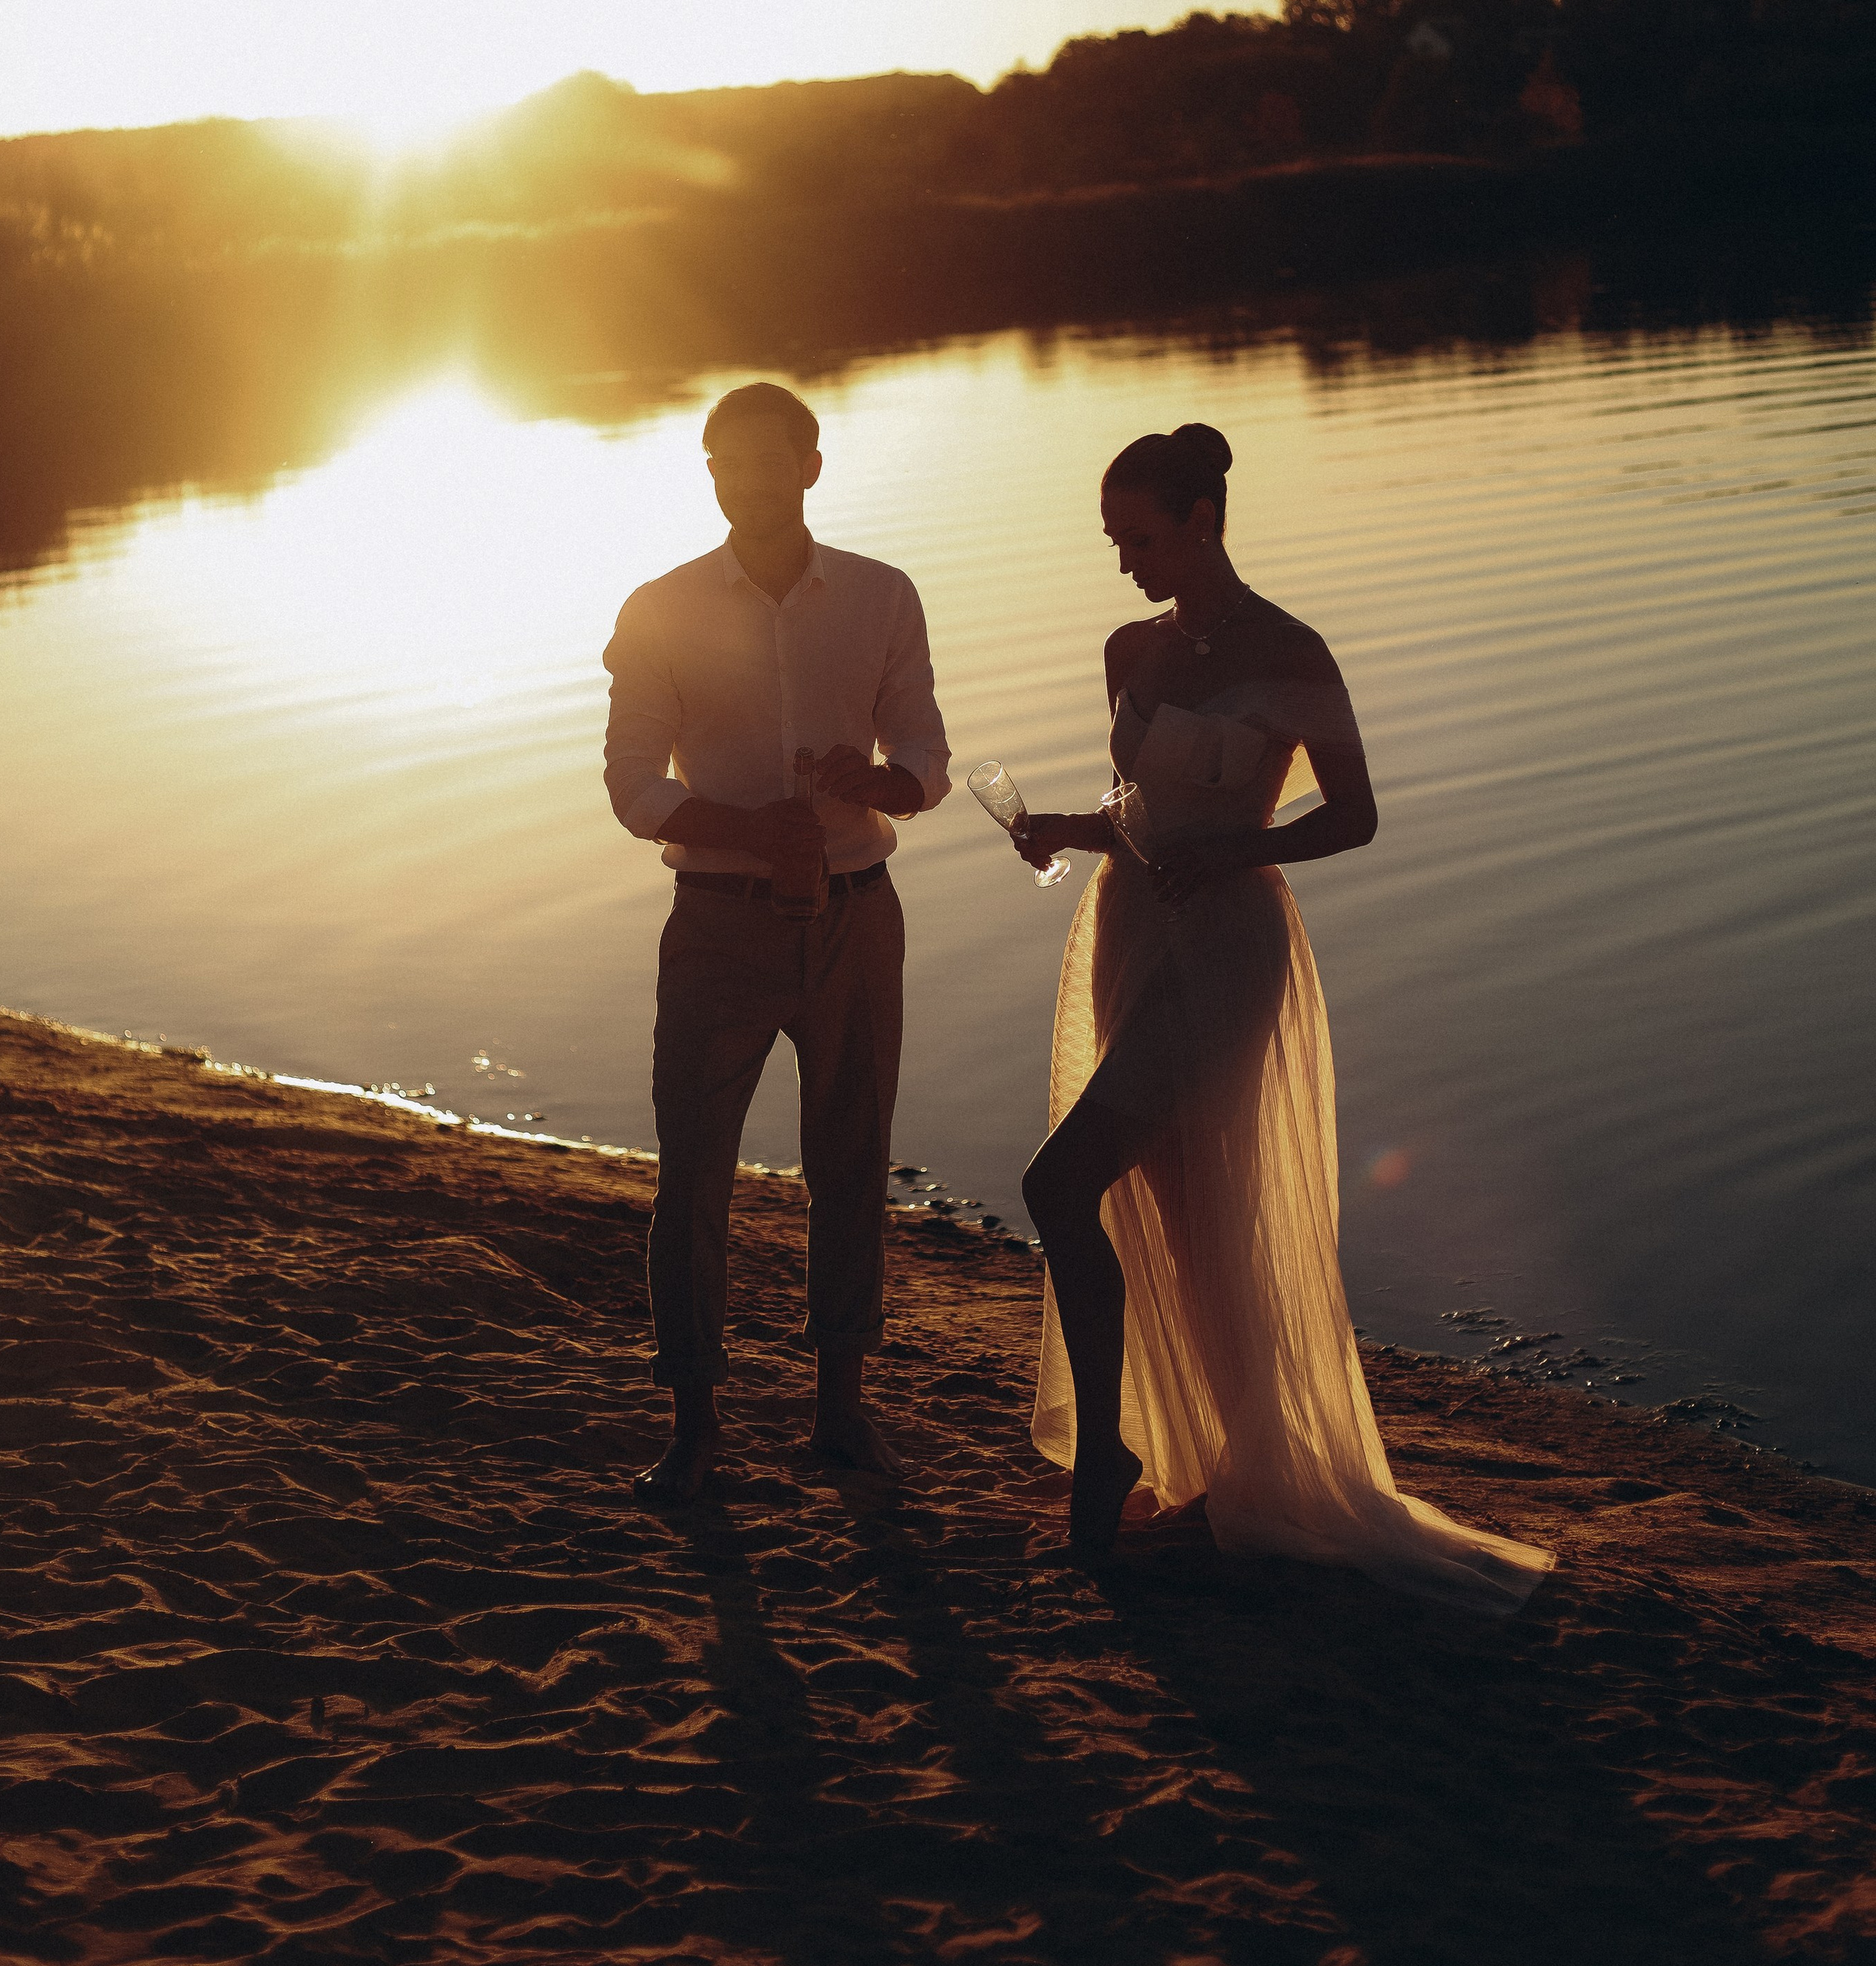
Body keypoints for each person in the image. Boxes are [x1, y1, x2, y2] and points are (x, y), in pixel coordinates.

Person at [1012, 421, 1553, 1610]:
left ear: (1202, 518)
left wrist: (1242, 848)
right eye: (1114, 540)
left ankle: (1115, 1454)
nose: (1125, 562)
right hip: (1128, 927)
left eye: (1140, 536)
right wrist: (1064, 825)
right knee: (1177, 1210)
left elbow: (1355, 815)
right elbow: (1139, 811)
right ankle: (1220, 1458)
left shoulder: (1296, 651)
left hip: (1228, 947)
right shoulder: (1127, 648)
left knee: (1064, 1185)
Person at [603, 381, 950, 1504]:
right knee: (694, 1175)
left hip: (859, 914)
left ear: (811, 465)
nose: (748, 480)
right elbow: (631, 786)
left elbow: (928, 767)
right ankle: (695, 1425)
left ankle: (841, 1413)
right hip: (718, 925)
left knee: (853, 1164)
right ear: (710, 475)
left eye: (769, 459)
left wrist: (875, 781)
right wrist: (754, 830)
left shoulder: (883, 595)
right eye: (726, 463)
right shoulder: (657, 607)